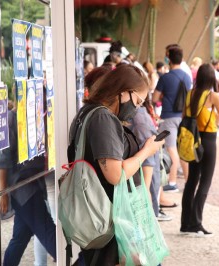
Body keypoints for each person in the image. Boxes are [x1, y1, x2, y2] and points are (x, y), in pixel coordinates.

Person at [68, 64, 164, 265]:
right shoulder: (103, 117)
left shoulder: (86, 113)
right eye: (137, 101)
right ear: (123, 92)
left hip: (100, 214)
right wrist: (147, 151)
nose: (137, 108)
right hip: (110, 216)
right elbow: (115, 174)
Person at [0, 109, 56, 265]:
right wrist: (3, 192)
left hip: (33, 185)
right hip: (22, 187)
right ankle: (75, 260)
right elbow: (3, 159)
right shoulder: (12, 117)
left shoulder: (37, 114)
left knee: (20, 236)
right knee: (48, 232)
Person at [180, 64, 219, 236]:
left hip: (193, 139)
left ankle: (185, 222)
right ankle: (196, 222)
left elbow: (184, 116)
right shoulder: (212, 95)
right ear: (211, 79)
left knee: (192, 180)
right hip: (208, 141)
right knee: (205, 181)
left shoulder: (190, 94)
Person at [152, 47, 192, 193]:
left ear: (168, 59)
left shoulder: (165, 78)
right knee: (182, 149)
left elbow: (154, 98)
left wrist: (164, 97)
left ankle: (172, 182)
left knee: (170, 150)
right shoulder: (187, 77)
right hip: (183, 117)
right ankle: (188, 182)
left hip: (168, 117)